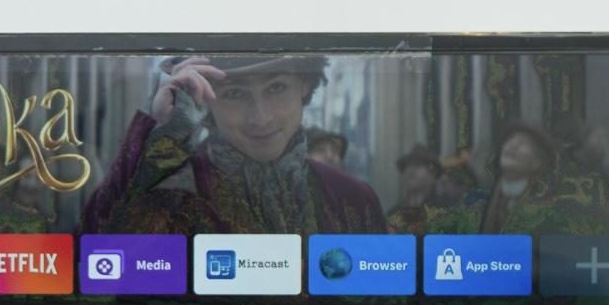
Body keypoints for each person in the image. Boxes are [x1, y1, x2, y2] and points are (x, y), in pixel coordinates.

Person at [81, 55, 385, 235]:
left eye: (276, 87)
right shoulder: (168, 192)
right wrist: (161, 135)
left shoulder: (352, 198)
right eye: (235, 94)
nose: (261, 118)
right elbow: (92, 266)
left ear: (304, 84)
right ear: (204, 99)